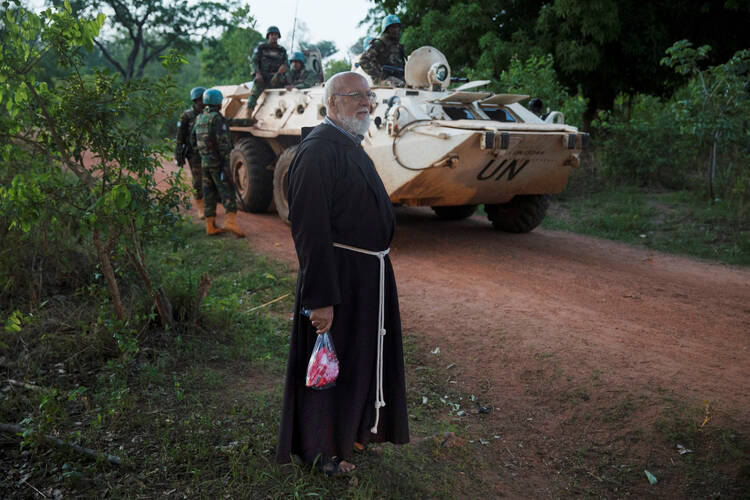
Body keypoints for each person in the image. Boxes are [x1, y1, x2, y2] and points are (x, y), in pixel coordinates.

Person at [276, 72, 409, 475]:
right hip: (338, 279)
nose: (365, 103)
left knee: (356, 360)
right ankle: (321, 453)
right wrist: (320, 299)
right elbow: (310, 232)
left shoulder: (349, 143)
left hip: (366, 276)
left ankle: (350, 433)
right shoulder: (318, 151)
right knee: (328, 371)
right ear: (332, 103)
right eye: (355, 96)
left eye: (368, 96)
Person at [191, 89, 245, 238]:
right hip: (218, 163)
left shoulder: (200, 117)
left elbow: (192, 141)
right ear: (217, 102)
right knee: (227, 190)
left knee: (209, 193)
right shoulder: (217, 119)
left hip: (205, 162)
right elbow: (223, 144)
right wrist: (226, 164)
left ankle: (210, 226)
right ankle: (231, 222)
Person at [176, 86, 205, 218]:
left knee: (209, 179)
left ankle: (209, 206)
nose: (203, 101)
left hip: (208, 153)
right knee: (198, 180)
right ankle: (201, 208)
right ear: (196, 99)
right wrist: (179, 155)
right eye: (201, 98)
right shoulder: (187, 116)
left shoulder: (208, 114)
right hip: (194, 154)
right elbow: (180, 137)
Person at [247, 26, 289, 113]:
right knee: (255, 91)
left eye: (276, 35)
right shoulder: (261, 48)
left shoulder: (282, 50)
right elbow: (254, 62)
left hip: (276, 77)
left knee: (286, 89)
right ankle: (249, 111)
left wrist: (283, 69)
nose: (274, 37)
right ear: (268, 36)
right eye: (272, 35)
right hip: (262, 77)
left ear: (278, 37)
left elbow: (286, 64)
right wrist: (257, 73)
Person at [359, 14, 407, 87]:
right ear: (387, 29)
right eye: (393, 27)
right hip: (383, 81)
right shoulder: (379, 44)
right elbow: (364, 61)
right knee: (400, 85)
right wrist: (379, 74)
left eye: (398, 27)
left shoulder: (398, 46)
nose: (397, 30)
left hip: (399, 78)